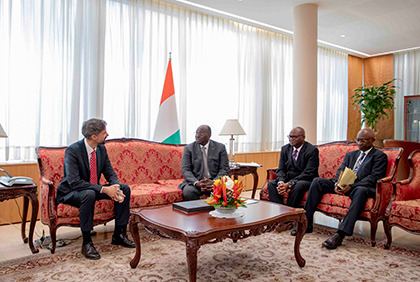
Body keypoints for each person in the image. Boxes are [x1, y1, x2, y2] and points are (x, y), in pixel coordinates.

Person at [56, 118, 135, 260]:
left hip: (92, 189)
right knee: (89, 194)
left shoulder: (101, 149)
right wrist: (105, 190)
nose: (108, 135)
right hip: (71, 192)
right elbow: (74, 182)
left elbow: (109, 172)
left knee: (125, 189)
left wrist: (115, 186)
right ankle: (87, 243)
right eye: (104, 133)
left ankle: (119, 234)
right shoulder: (73, 151)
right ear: (94, 136)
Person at [302, 128, 387, 249]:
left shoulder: (379, 156)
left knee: (361, 191)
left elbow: (374, 177)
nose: (360, 143)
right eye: (358, 140)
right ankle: (307, 222)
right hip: (344, 184)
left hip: (361, 187)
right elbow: (341, 170)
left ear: (373, 140)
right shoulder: (351, 155)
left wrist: (351, 186)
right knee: (317, 182)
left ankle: (340, 234)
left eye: (364, 140)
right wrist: (338, 184)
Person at [267, 126, 319, 209]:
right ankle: (278, 213)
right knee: (271, 184)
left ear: (303, 137)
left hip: (306, 179)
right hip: (290, 178)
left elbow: (309, 172)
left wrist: (289, 183)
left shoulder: (311, 150)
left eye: (294, 137)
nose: (291, 139)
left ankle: (289, 213)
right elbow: (281, 169)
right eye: (290, 136)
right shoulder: (285, 149)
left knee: (298, 186)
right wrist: (281, 182)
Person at [179, 125, 229, 201]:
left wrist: (214, 182)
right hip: (195, 182)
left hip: (214, 181)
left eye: (200, 134)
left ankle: (216, 212)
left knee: (226, 192)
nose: (197, 136)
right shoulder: (189, 148)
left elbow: (224, 169)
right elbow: (186, 170)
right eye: (196, 133)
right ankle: (197, 212)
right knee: (188, 192)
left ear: (209, 135)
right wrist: (197, 183)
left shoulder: (220, 147)